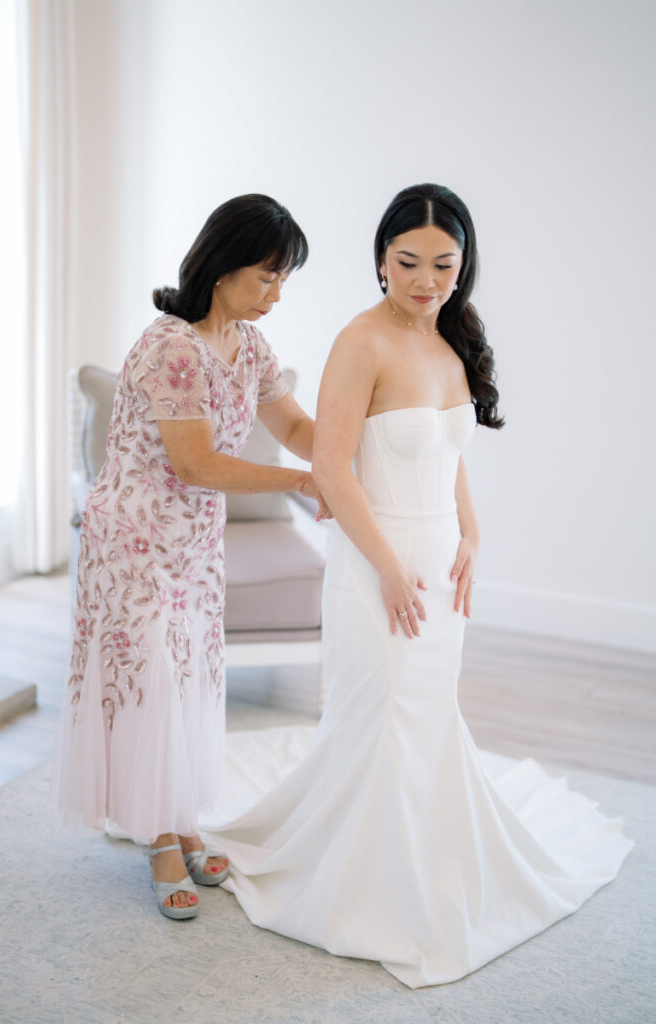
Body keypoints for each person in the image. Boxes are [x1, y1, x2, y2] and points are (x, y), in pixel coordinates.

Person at [198, 184, 633, 986]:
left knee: (427, 714)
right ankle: (371, 888)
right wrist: (389, 568)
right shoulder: (358, 342)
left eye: (443, 264)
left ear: (462, 267)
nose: (425, 279)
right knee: (384, 710)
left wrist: (471, 532)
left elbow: (447, 451)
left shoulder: (449, 342)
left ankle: (427, 861)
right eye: (408, 263)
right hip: (377, 557)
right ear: (379, 261)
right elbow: (331, 465)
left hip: (440, 557)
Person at [56, 194, 329, 920]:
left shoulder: (248, 342)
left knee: (184, 682)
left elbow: (296, 424)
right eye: (266, 277)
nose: (274, 295)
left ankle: (181, 822)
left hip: (194, 546)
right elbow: (198, 463)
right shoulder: (171, 345)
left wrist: (353, 453)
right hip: (134, 542)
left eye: (282, 281)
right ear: (222, 265)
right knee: (151, 685)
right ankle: (160, 842)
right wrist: (305, 483)